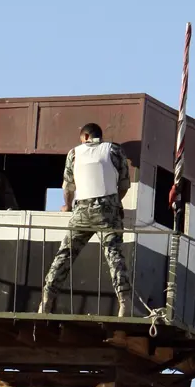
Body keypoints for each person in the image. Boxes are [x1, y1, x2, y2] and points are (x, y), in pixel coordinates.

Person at [39, 122, 133, 317]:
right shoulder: (114, 151)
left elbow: (68, 187)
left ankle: (46, 301)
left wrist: (67, 206)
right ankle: (124, 303)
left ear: (85, 137)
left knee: (64, 255)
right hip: (108, 212)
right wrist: (112, 203)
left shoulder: (74, 153)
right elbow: (124, 186)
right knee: (114, 256)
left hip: (81, 211)